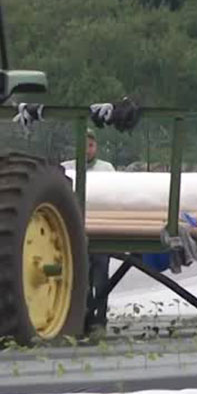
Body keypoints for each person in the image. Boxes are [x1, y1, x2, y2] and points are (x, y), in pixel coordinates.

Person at [61, 129, 114, 333]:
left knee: (101, 278)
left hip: (101, 228)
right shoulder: (67, 168)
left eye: (90, 145)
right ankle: (83, 319)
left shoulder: (106, 169)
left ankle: (100, 319)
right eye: (83, 145)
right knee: (81, 278)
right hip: (76, 229)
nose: (87, 150)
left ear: (96, 147)